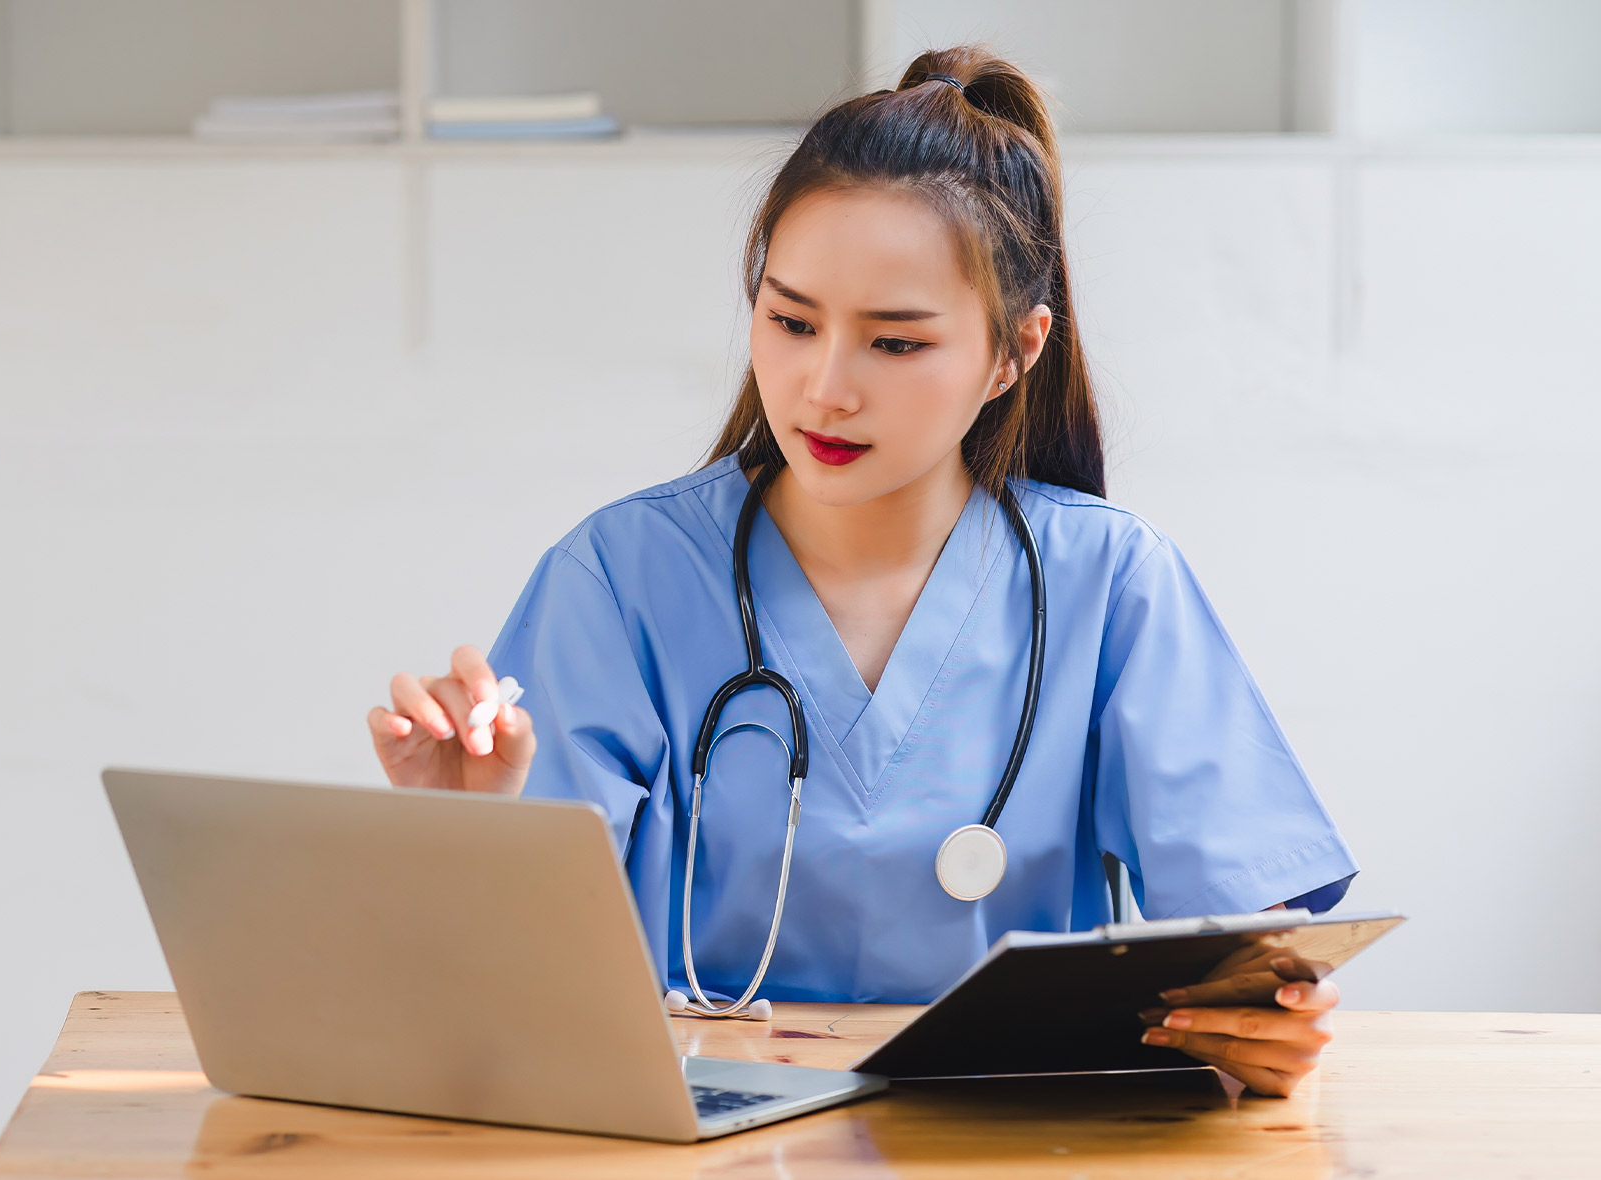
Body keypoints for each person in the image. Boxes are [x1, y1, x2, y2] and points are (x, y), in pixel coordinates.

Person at [366, 47, 1355, 1097]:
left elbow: (1242, 953)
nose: (822, 389)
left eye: (892, 343)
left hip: (1011, 1148)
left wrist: (1260, 1025)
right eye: (789, 322)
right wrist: (467, 828)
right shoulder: (619, 579)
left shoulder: (1109, 582)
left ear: (1013, 353)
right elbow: (497, 1012)